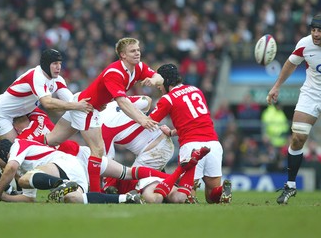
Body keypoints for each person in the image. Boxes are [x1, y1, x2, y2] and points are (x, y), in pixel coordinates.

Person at [39, 38, 163, 192]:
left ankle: (23, 148)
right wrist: (142, 119)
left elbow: (159, 77)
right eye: (133, 51)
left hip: (82, 101)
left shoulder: (138, 67)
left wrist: (153, 79)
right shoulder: (114, 72)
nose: (137, 53)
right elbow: (122, 102)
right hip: (87, 108)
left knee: (50, 140)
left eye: (138, 50)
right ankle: (96, 193)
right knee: (98, 150)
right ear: (123, 55)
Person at [267, 14, 321, 206]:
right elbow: (290, 64)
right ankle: (290, 186)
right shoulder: (305, 44)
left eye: (319, 31)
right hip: (311, 93)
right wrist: (277, 86)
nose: (315, 34)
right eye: (313, 30)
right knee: (297, 137)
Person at [145, 63, 232, 204]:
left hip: (192, 147)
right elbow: (193, 122)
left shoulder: (168, 99)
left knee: (186, 196)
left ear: (166, 81)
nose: (159, 87)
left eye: (159, 84)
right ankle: (222, 191)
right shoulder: (195, 90)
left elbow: (148, 121)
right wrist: (172, 132)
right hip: (213, 144)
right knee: (212, 196)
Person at [0, 139, 168, 203]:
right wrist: (4, 197)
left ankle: (62, 184)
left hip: (69, 162)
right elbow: (29, 198)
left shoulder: (18, 144)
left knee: (25, 178)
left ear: (3, 152)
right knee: (74, 199)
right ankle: (126, 199)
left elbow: (10, 167)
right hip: (76, 167)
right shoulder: (28, 166)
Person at [0, 48, 93, 142]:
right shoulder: (36, 76)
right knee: (12, 153)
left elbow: (71, 100)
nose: (59, 67)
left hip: (20, 114)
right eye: (55, 63)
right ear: (46, 64)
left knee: (29, 149)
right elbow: (47, 103)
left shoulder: (57, 80)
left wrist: (92, 104)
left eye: (60, 63)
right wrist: (78, 106)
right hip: (0, 114)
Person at [63, 146, 210, 204]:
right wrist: (172, 179)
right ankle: (193, 163)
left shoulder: (111, 176)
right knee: (179, 198)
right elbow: (140, 171)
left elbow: (109, 191)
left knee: (154, 200)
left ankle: (182, 169)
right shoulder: (117, 171)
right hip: (159, 182)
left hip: (146, 185)